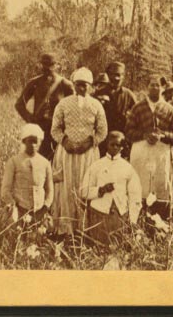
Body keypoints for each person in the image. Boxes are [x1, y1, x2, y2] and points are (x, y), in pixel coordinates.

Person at [50, 67, 108, 238]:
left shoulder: (96, 105)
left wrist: (89, 142)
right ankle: (65, 229)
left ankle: (84, 229)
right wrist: (65, 141)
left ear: (90, 87)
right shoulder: (64, 103)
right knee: (67, 187)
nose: (81, 89)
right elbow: (55, 129)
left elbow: (102, 131)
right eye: (78, 85)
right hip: (66, 153)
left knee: (85, 187)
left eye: (85, 86)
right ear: (74, 85)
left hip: (88, 154)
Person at [124, 75, 173, 220]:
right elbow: (128, 132)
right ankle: (138, 224)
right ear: (146, 87)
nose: (154, 88)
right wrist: (144, 135)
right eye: (151, 85)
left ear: (163, 88)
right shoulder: (138, 108)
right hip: (141, 154)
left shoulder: (169, 109)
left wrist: (162, 135)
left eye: (157, 85)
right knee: (140, 188)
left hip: (161, 155)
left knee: (161, 188)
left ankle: (160, 226)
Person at [79, 131, 141, 247]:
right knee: (98, 248)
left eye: (118, 145)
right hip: (99, 215)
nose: (114, 147)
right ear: (107, 144)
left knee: (116, 249)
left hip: (119, 216)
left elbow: (135, 196)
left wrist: (133, 220)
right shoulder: (97, 165)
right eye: (112, 144)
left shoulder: (127, 168)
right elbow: (83, 191)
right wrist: (100, 190)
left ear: (122, 147)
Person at [14, 53, 74, 159]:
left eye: (50, 65)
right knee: (37, 161)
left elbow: (74, 107)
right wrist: (30, 118)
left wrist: (66, 125)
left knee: (58, 162)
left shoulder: (65, 84)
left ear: (56, 65)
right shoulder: (34, 83)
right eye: (44, 65)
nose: (47, 68)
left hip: (58, 130)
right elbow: (19, 104)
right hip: (39, 128)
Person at [0, 123, 54, 223]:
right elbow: (5, 190)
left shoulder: (45, 163)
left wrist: (43, 209)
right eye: (30, 141)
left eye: (35, 142)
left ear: (39, 143)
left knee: (42, 234)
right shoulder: (13, 161)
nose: (33, 145)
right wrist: (15, 206)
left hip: (39, 213)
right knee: (16, 232)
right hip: (18, 211)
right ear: (24, 141)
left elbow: (50, 191)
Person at [101, 62, 137, 158]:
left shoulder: (128, 94)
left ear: (123, 76)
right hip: (103, 139)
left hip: (122, 140)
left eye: (118, 75)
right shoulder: (99, 92)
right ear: (107, 75)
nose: (115, 78)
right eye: (112, 74)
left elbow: (138, 114)